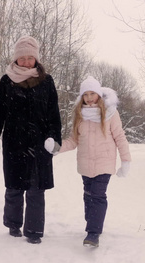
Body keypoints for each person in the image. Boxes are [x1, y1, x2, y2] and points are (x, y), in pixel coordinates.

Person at [0, 36, 62, 244]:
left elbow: (54, 114)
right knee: (14, 188)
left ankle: (34, 231)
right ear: (16, 59)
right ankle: (13, 224)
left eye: (30, 58)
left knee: (36, 190)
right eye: (23, 58)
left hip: (40, 143)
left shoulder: (46, 81)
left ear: (36, 59)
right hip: (14, 142)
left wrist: (55, 138)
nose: (27, 62)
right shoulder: (6, 81)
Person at [44, 76, 131, 247]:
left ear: (98, 94)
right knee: (88, 196)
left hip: (104, 163)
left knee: (98, 196)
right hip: (85, 164)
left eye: (92, 93)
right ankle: (93, 223)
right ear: (82, 96)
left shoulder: (111, 113)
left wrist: (125, 160)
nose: (89, 97)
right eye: (86, 94)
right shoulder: (79, 115)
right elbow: (73, 140)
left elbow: (120, 137)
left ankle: (93, 233)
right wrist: (56, 148)